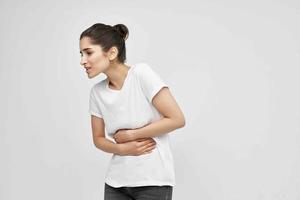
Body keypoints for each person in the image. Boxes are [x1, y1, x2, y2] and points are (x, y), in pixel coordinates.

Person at [79, 23, 185, 200]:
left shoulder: (141, 74)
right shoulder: (97, 92)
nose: (82, 60)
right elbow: (98, 139)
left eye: (89, 53)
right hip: (116, 183)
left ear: (112, 53)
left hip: (153, 181)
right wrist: (122, 149)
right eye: (81, 54)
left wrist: (132, 135)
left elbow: (177, 119)